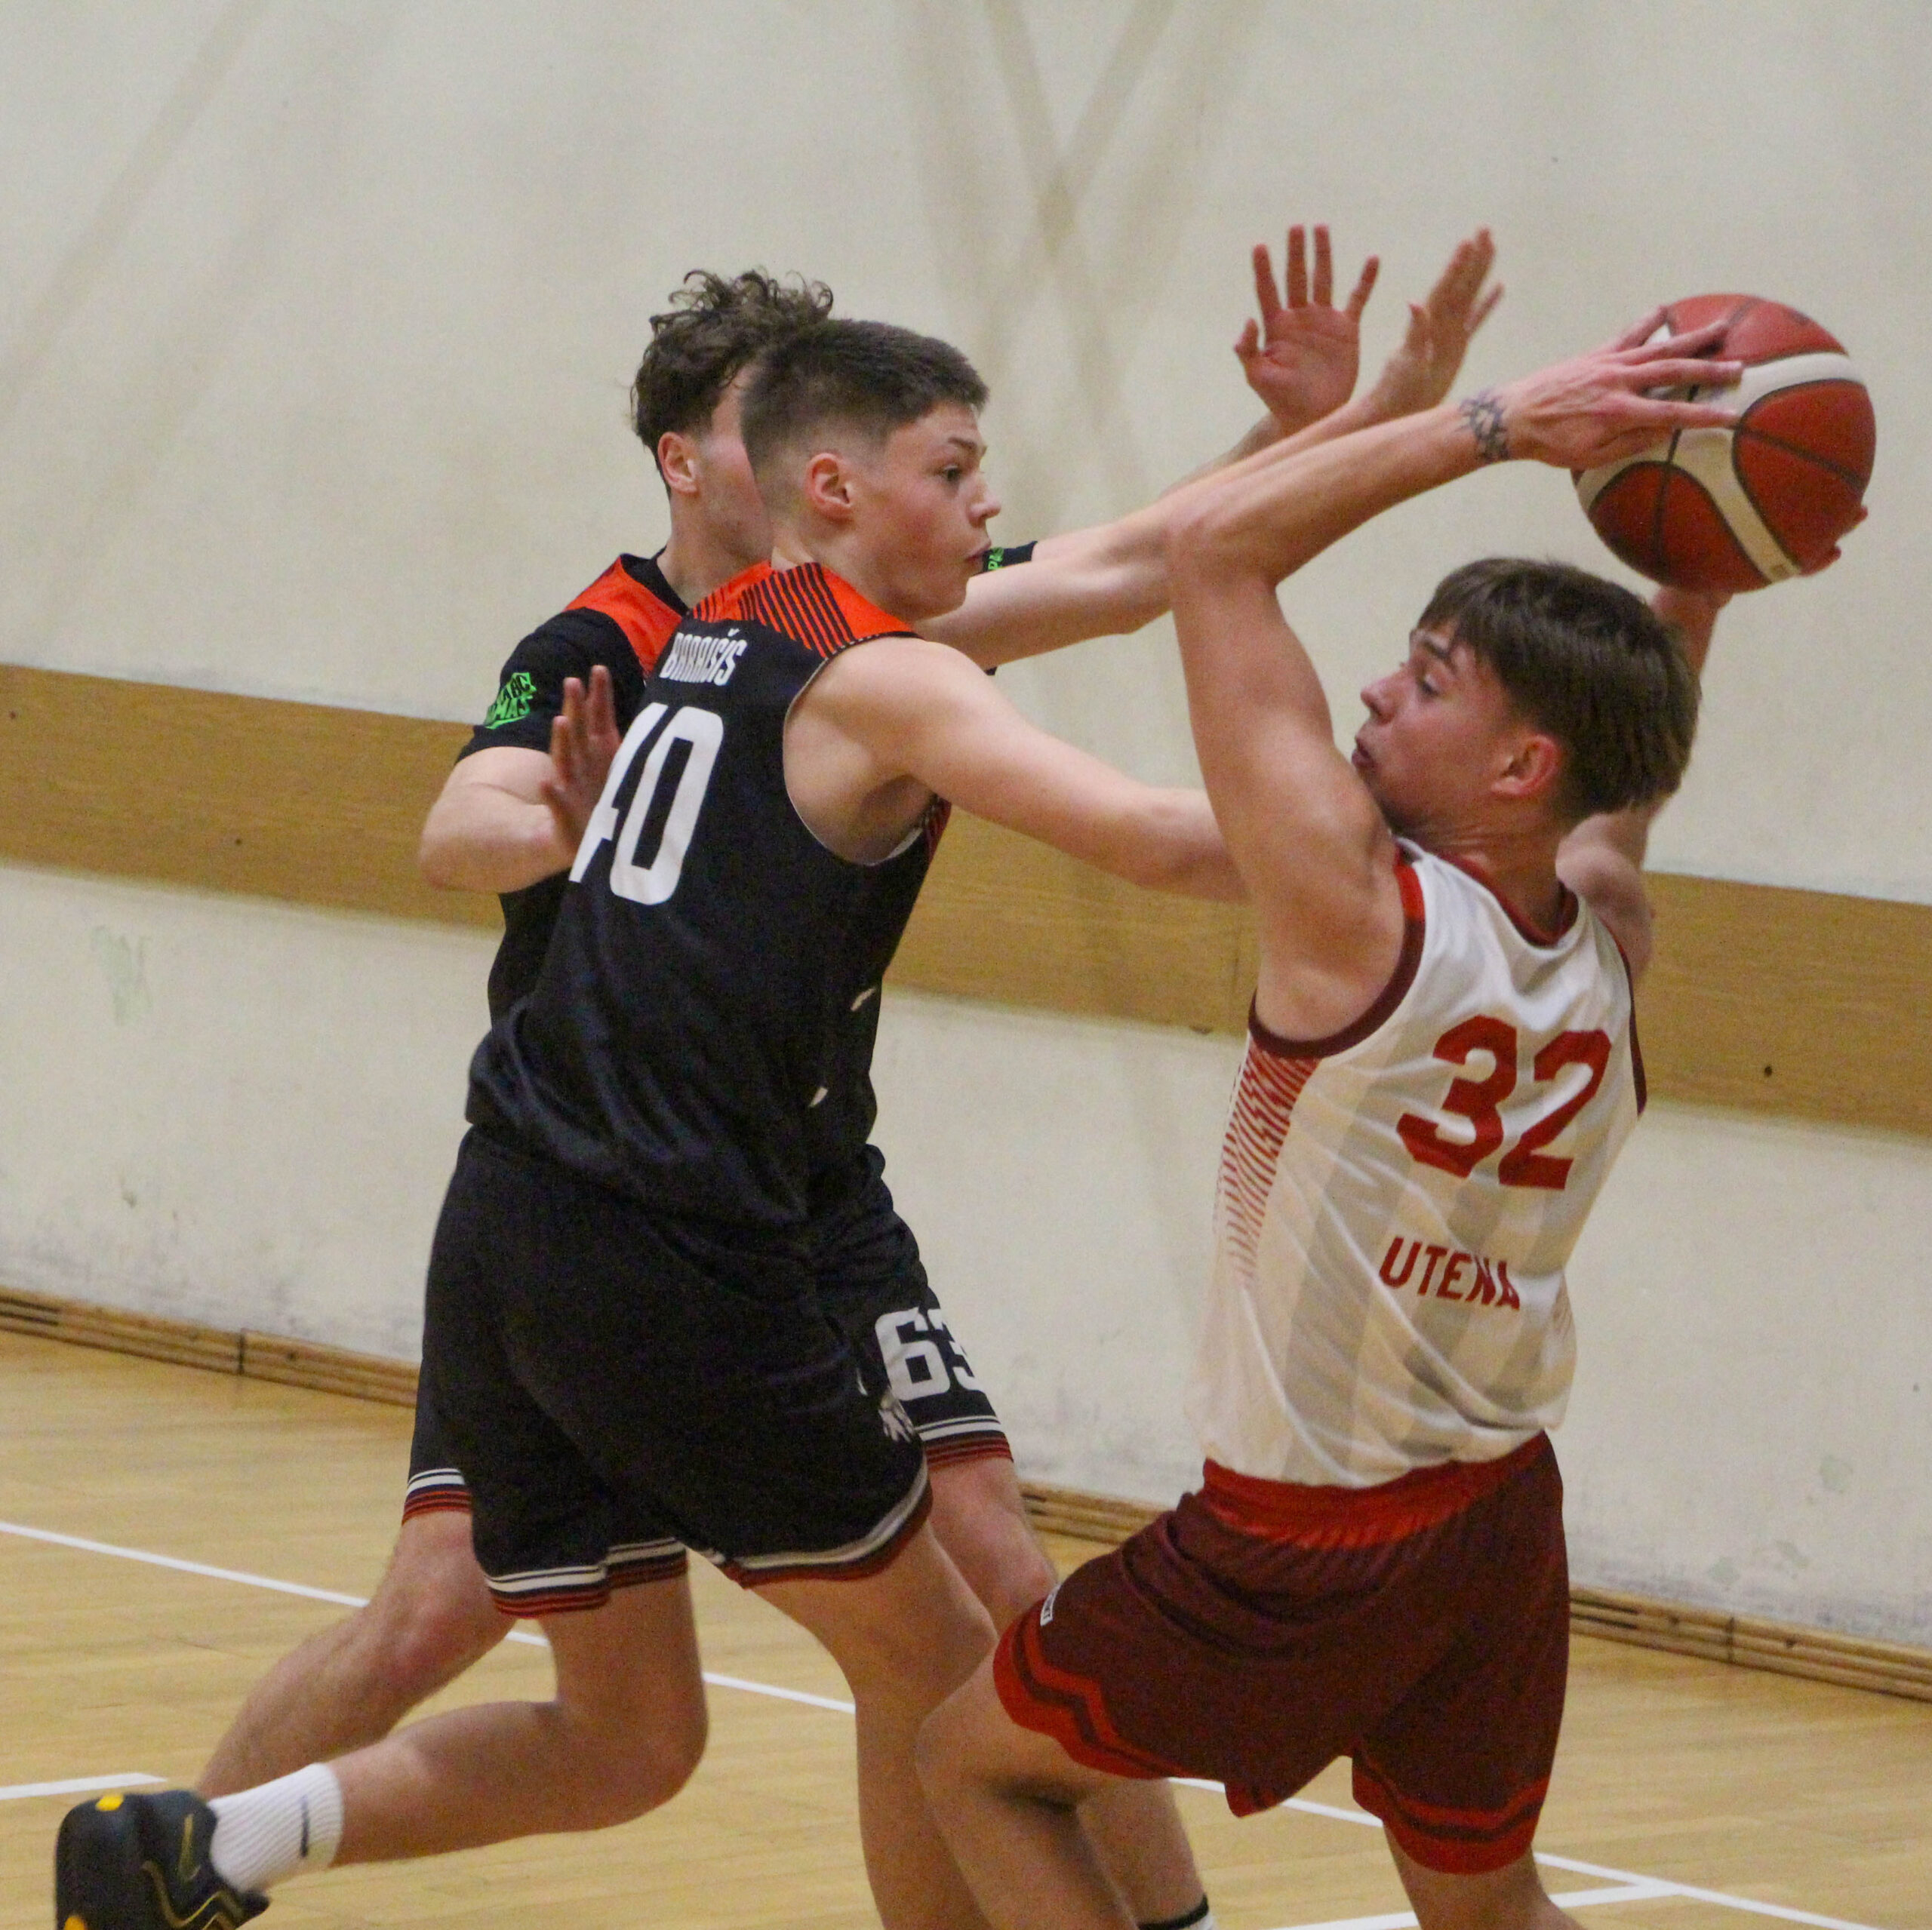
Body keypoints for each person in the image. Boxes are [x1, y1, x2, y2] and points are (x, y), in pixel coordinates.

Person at [57, 237, 1501, 1930]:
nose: (980, 502)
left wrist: (1370, 419)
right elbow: (1152, 808)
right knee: (933, 1677)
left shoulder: (762, 620)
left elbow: (1140, 559)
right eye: (950, 470)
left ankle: (201, 1849)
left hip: (606, 1187)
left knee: (660, 1724)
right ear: (776, 469)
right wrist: (1405, 814)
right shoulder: (681, 643)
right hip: (665, 1209)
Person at [912, 316, 1755, 1930]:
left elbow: (1218, 549)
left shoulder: (1357, 914)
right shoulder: (1603, 921)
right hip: (1497, 1515)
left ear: (1517, 764)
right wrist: (1694, 583)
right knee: (1488, 1905)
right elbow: (1620, 778)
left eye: (1426, 681)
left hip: (1301, 1540)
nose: (1376, 686)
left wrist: (1499, 423)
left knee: (973, 1767)